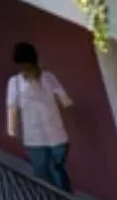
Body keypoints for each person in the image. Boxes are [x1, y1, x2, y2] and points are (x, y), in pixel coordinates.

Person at [4, 41, 73, 190]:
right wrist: (11, 129)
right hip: (35, 138)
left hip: (56, 135)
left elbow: (64, 99)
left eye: (27, 66)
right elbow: (12, 107)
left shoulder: (48, 77)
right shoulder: (15, 83)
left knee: (57, 170)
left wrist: (65, 100)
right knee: (44, 173)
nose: (26, 70)